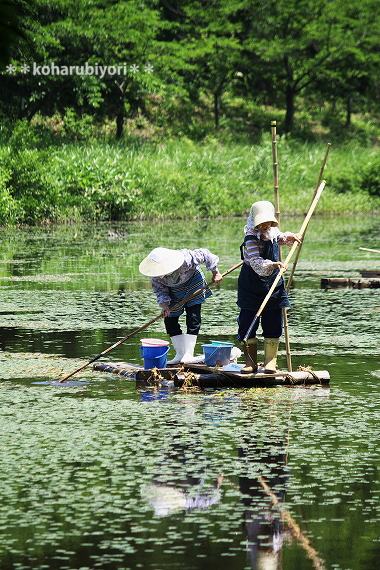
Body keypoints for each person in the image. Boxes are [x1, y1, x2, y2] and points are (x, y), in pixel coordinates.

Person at [237, 200, 302, 374]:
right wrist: (273, 265)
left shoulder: (271, 231)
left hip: (273, 284)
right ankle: (250, 362)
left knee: (273, 322)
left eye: (268, 222)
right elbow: (257, 264)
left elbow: (279, 238)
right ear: (255, 222)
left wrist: (290, 237)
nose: (266, 226)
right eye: (262, 223)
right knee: (247, 322)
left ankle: (270, 362)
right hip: (251, 285)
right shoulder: (250, 238)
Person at [139, 247, 223, 364]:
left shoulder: (186, 258)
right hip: (173, 291)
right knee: (170, 320)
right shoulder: (156, 276)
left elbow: (206, 254)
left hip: (193, 282)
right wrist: (165, 306)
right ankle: (180, 354)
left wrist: (216, 273)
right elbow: (160, 291)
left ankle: (189, 354)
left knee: (193, 317)